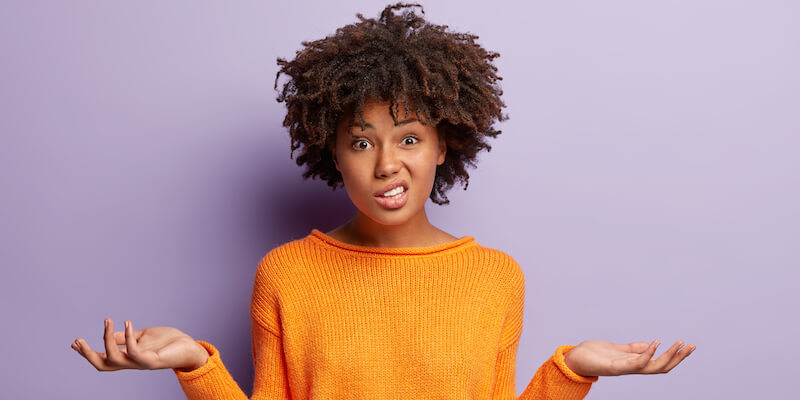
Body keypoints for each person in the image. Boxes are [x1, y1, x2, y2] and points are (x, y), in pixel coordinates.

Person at [71, 3, 695, 399]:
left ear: (444, 146)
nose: (387, 163)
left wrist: (572, 371)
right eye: (362, 141)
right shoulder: (285, 274)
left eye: (410, 138)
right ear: (332, 152)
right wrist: (194, 365)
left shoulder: (496, 277)